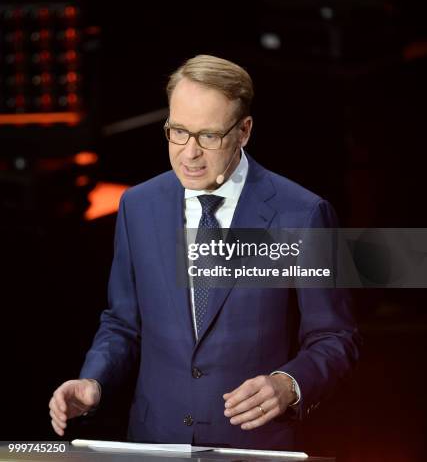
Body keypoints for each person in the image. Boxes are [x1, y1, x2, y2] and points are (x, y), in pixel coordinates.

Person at [49, 54, 360, 450]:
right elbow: (123, 322)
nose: (189, 153)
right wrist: (94, 379)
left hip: (255, 445)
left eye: (208, 136)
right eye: (177, 131)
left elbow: (336, 336)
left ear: (244, 131)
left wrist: (289, 384)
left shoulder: (300, 213)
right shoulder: (138, 205)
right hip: (156, 440)